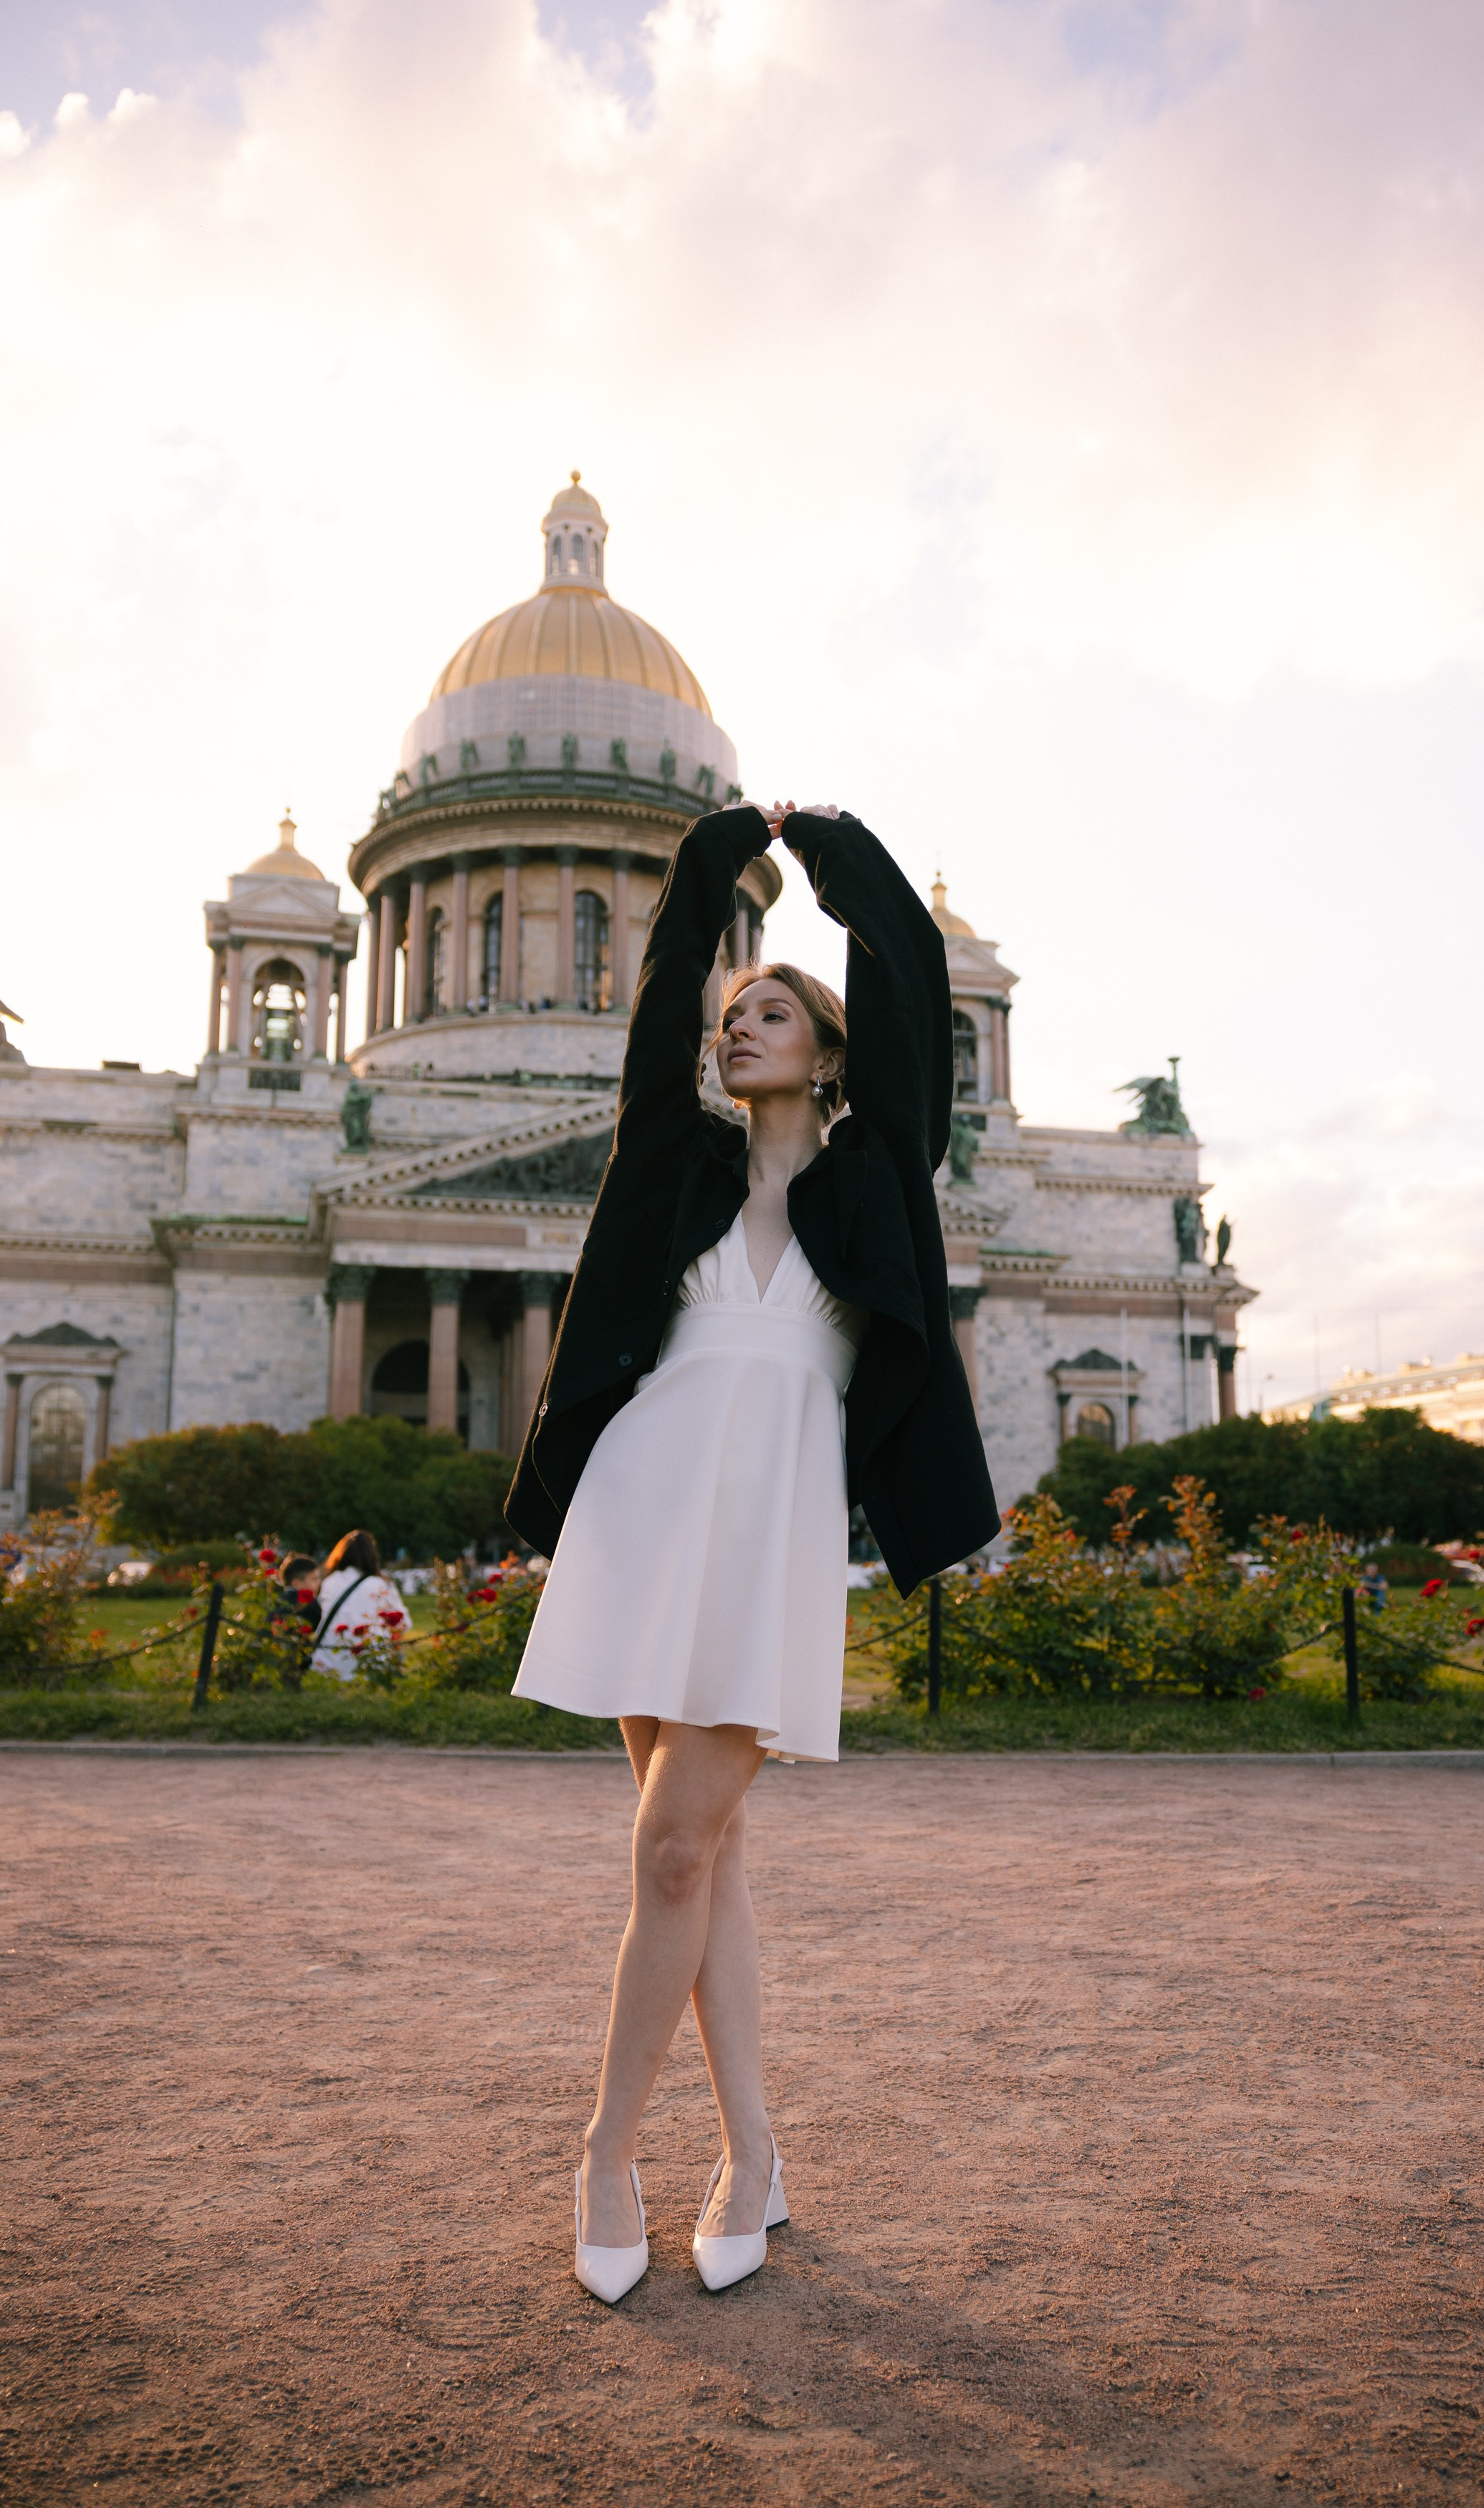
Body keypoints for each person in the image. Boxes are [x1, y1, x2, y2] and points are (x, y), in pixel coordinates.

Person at [506, 800, 998, 2303]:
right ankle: (753, 2156)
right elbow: (666, 999)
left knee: (672, 1847)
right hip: (647, 1506)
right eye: (735, 1011)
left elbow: (909, 974)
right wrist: (712, 864)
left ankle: (604, 2151)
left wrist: (829, 851)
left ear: (830, 1051)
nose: (739, 1027)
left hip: (771, 1522)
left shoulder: (876, 1169)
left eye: (772, 1008)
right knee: (697, 1859)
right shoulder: (680, 1166)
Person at [311, 1528, 411, 1680]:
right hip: (370, 1664)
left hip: (327, 1662)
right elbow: (405, 1624)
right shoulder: (380, 1584)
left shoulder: (329, 1582)